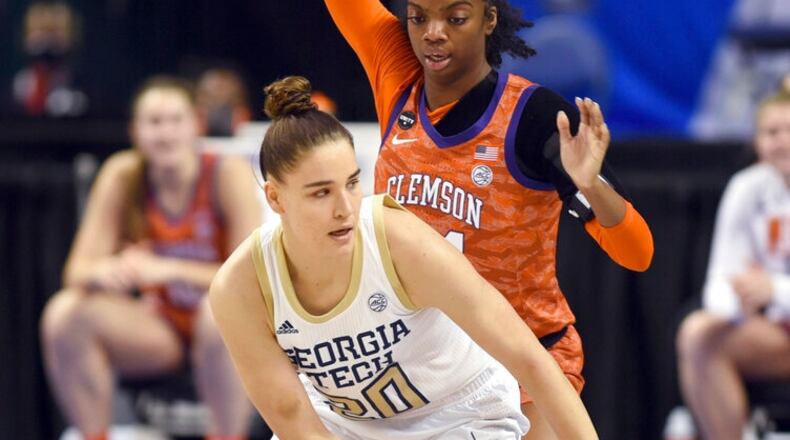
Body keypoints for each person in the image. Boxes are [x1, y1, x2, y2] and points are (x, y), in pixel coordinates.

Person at [323, 1, 654, 437]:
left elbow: (639, 254)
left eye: (455, 19)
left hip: (524, 364)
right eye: (419, 17)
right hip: (421, 369)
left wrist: (591, 186)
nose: (433, 33)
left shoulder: (535, 115)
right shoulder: (398, 73)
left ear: (489, 18)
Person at [209, 76, 598, 440]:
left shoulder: (397, 240)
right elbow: (294, 418)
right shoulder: (241, 287)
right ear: (274, 197)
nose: (344, 207)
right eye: (321, 193)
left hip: (459, 414)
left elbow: (529, 359)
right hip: (347, 426)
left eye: (352, 182)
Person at [39, 75, 261, 440]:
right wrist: (108, 272)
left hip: (226, 326)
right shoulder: (123, 174)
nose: (165, 133)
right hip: (161, 331)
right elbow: (77, 271)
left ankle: (226, 434)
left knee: (215, 310)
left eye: (175, 120)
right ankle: (94, 434)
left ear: (197, 125)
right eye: (154, 122)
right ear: (135, 131)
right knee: (64, 314)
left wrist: (169, 269)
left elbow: (250, 277)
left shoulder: (226, 173)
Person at [676, 90, 790, 440]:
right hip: (772, 325)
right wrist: (739, 307)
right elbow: (721, 278)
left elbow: (767, 286)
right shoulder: (747, 187)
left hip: (779, 312)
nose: (782, 142)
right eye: (771, 133)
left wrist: (774, 289)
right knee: (697, 334)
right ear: (757, 141)